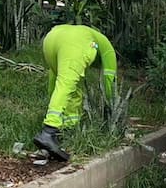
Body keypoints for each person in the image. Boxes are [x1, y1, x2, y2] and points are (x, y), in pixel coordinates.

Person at [33, 24, 118, 161]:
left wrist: (52, 99)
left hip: (51, 38)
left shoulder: (90, 34)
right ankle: (48, 131)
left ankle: (67, 129)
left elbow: (53, 84)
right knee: (66, 84)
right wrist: (110, 104)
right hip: (75, 43)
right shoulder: (109, 51)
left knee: (68, 86)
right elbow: (110, 80)